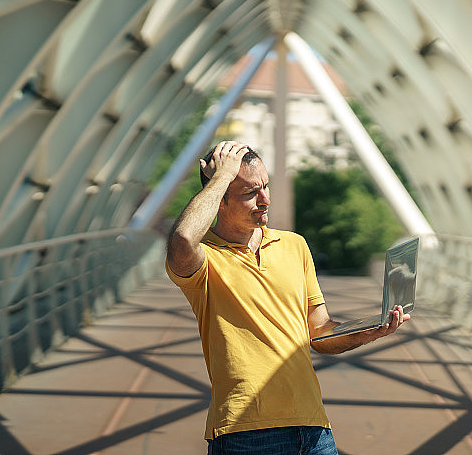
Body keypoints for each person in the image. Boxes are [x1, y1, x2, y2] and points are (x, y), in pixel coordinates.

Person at [165, 140, 410, 454]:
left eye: (266, 186)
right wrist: (220, 178)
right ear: (220, 200)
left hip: (313, 427)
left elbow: (319, 333)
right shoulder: (206, 259)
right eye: (250, 192)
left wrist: (371, 330)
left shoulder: (295, 246)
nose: (265, 199)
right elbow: (183, 239)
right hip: (245, 432)